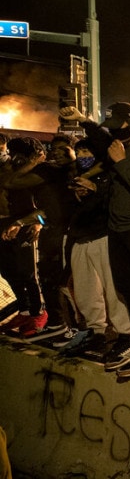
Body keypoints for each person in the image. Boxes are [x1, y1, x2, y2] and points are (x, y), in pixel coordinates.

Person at [60, 102, 130, 378]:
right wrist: (82, 120)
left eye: (118, 128)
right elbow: (101, 144)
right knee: (125, 286)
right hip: (117, 229)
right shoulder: (114, 149)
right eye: (111, 128)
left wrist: (122, 163)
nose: (113, 134)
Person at [59, 139, 130, 356]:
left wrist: (94, 188)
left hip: (105, 237)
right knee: (85, 292)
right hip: (81, 239)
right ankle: (97, 332)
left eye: (86, 150)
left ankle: (125, 334)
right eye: (79, 151)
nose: (82, 155)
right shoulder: (72, 176)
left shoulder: (110, 175)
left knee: (114, 290)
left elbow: (115, 201)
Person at [0, 137, 47, 337]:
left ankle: (38, 313)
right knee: (7, 270)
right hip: (3, 223)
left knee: (27, 272)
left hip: (24, 223)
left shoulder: (37, 171)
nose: (13, 156)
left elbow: (48, 207)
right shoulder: (9, 168)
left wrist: (37, 223)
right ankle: (24, 310)